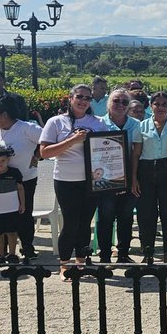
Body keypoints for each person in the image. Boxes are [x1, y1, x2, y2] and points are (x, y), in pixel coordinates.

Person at [39, 84, 108, 277]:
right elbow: (44, 152)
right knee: (70, 222)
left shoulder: (98, 122)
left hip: (91, 180)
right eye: (80, 97)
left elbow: (106, 150)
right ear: (71, 98)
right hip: (65, 179)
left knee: (85, 222)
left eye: (87, 98)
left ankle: (81, 262)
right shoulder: (55, 122)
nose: (83, 101)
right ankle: (64, 264)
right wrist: (72, 140)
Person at [0, 99, 41, 260]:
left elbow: (49, 140)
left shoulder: (27, 128)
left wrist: (37, 156)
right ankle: (1, 251)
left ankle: (26, 247)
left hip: (23, 179)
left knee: (23, 213)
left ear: (5, 115)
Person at [97, 88, 142, 263]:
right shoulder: (98, 123)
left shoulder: (135, 124)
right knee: (105, 217)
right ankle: (105, 256)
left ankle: (123, 253)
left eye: (124, 102)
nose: (120, 105)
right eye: (116, 101)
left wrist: (133, 179)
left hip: (127, 177)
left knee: (126, 216)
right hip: (104, 179)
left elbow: (135, 154)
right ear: (109, 103)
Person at [137, 91, 167, 263]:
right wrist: (134, 178)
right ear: (151, 106)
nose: (160, 108)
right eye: (157, 104)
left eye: (164, 104)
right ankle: (148, 252)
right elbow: (136, 154)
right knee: (146, 214)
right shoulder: (141, 126)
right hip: (145, 170)